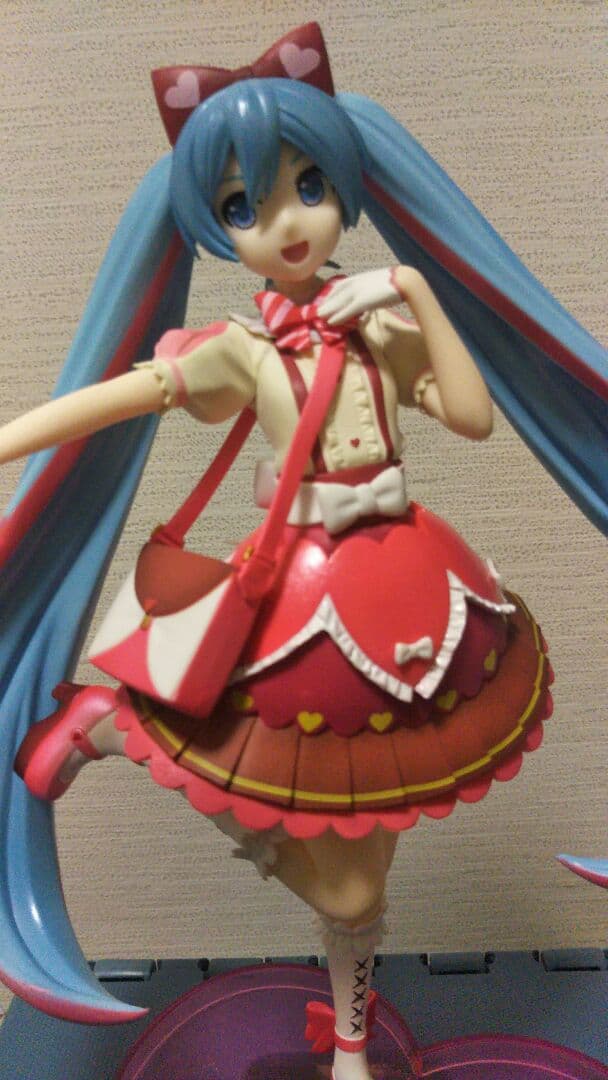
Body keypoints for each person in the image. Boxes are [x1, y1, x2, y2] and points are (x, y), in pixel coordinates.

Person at [0, 23, 606, 1080]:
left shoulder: (380, 325)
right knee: (348, 880)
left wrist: (411, 290)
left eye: (308, 185)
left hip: (412, 596)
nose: (285, 222)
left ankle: (352, 1049)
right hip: (302, 605)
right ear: (209, 227)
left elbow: (470, 416)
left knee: (364, 879)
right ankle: (111, 724)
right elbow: (114, 397)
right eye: (243, 206)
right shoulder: (241, 351)